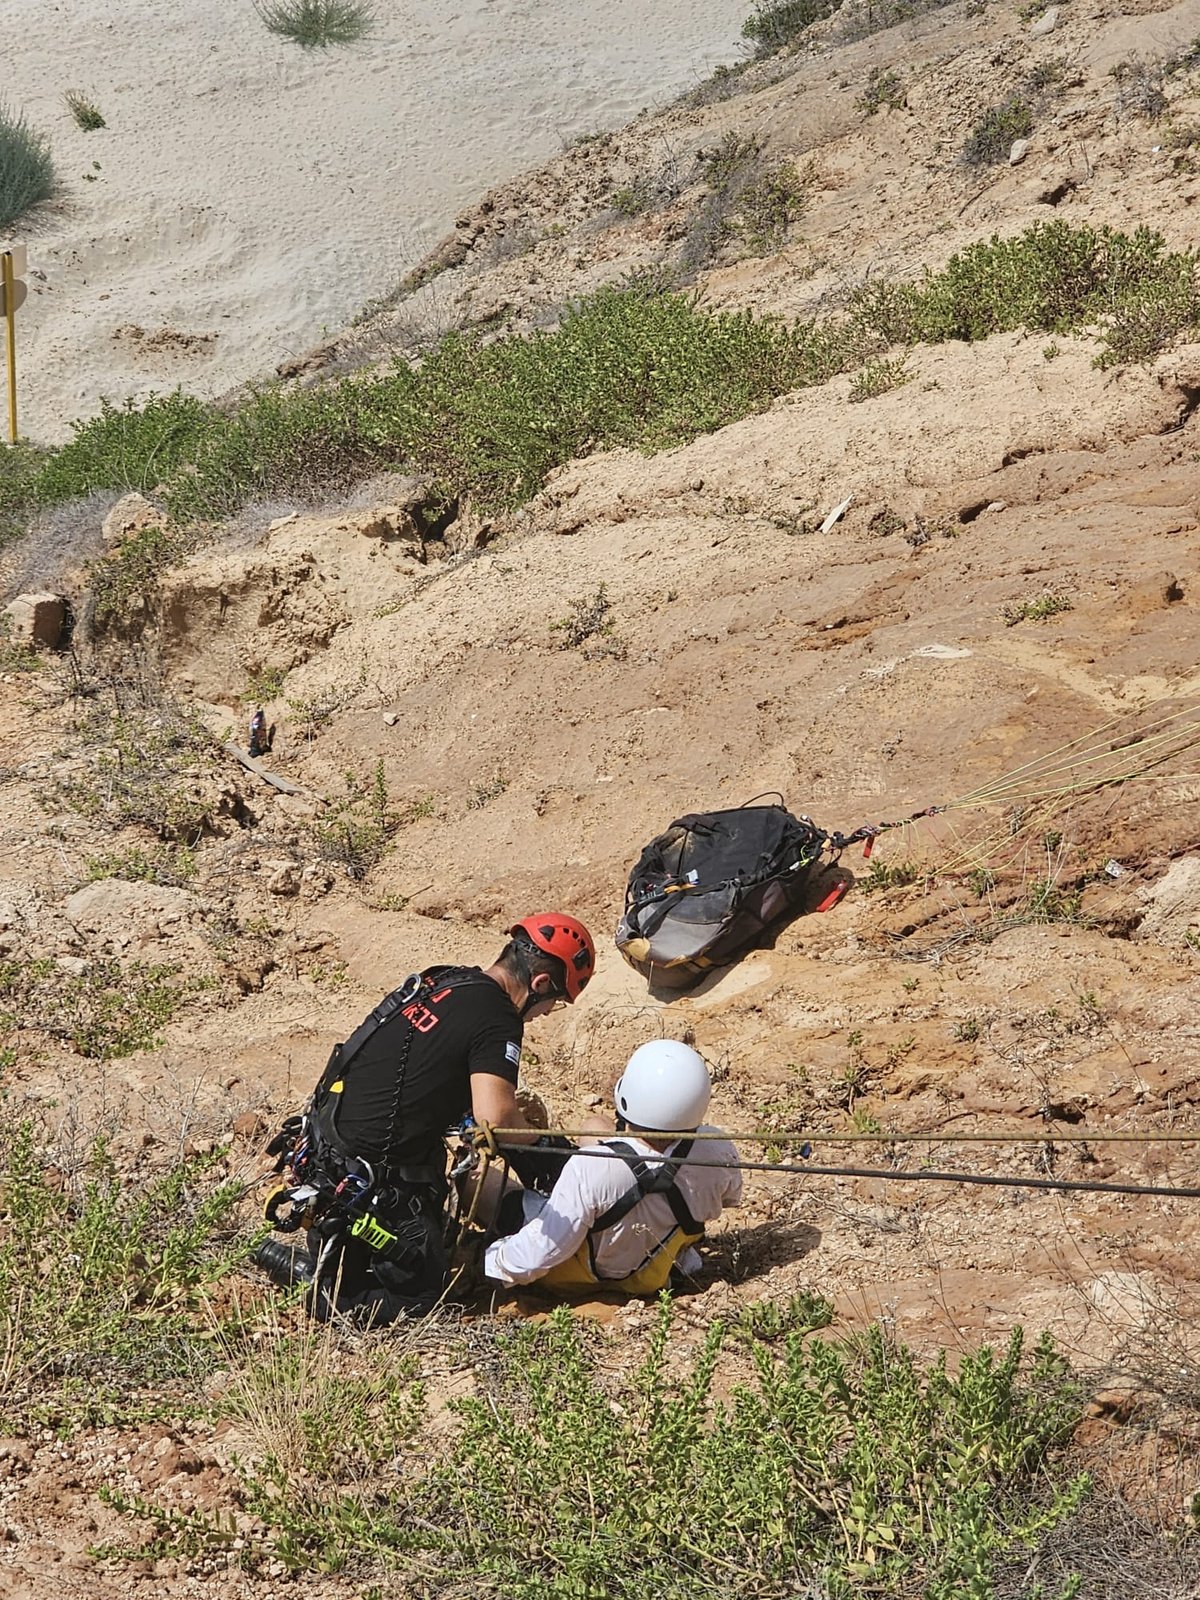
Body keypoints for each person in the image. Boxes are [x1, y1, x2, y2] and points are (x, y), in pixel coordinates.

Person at [256, 912, 595, 1322]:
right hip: (367, 1181)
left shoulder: (445, 980)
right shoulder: (499, 1016)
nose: (544, 1013)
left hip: (329, 1152)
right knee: (417, 1297)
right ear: (540, 984)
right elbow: (496, 1117)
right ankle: (317, 1284)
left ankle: (340, 1250)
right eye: (553, 1002)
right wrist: (547, 1149)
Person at [484, 1040, 741, 1297]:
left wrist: (491, 1261)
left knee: (480, 1184)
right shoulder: (717, 1149)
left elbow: (539, 1253)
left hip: (579, 1274)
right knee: (594, 1125)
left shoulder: (590, 1169)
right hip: (659, 1271)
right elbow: (730, 1197)